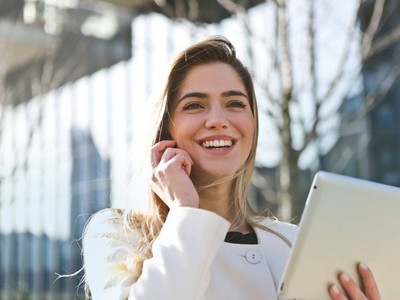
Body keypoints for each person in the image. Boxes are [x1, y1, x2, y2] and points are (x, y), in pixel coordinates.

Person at [82, 36, 380, 300]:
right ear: (165, 130)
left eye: (235, 104)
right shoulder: (115, 234)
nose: (218, 119)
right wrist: (186, 210)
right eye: (194, 105)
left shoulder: (293, 242)